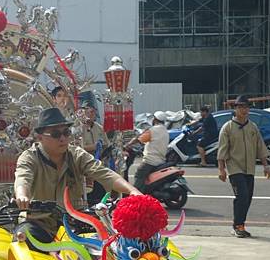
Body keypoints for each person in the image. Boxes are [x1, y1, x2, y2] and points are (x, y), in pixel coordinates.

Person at [14, 107, 141, 242]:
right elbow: (23, 178)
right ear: (39, 138)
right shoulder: (29, 157)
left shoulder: (76, 155)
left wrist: (132, 191)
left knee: (112, 241)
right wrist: (22, 196)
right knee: (23, 239)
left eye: (66, 133)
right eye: (56, 134)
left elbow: (104, 173)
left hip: (75, 223)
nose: (63, 138)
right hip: (41, 224)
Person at [217, 95, 270, 238]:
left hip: (249, 168)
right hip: (234, 167)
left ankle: (240, 224)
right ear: (235, 109)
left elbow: (260, 146)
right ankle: (237, 226)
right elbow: (222, 150)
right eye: (240, 107)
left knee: (248, 197)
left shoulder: (252, 127)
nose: (243, 110)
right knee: (242, 195)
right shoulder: (227, 127)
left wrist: (266, 166)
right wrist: (221, 169)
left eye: (246, 107)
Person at [125, 111, 169, 192]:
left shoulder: (152, 130)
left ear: (155, 120)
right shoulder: (165, 131)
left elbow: (138, 139)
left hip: (150, 161)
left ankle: (137, 196)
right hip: (161, 161)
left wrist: (127, 145)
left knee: (139, 175)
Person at [80, 100, 111, 205]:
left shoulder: (99, 128)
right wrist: (92, 147)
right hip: (84, 165)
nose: (90, 114)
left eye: (93, 112)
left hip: (98, 164)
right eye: (88, 112)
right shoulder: (79, 128)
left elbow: (106, 144)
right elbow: (75, 148)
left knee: (100, 191)